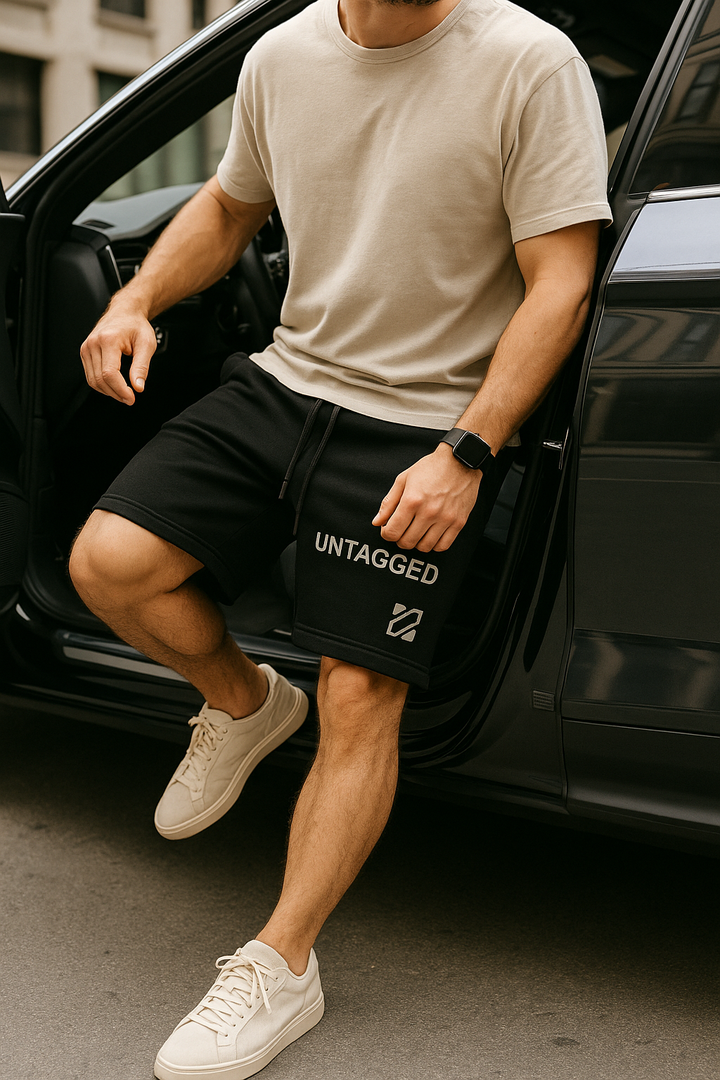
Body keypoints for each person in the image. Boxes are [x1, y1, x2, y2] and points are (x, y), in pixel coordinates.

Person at [69, 0, 611, 1074]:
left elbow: (563, 279)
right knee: (108, 564)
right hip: (288, 381)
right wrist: (136, 300)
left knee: (362, 691)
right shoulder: (283, 52)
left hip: (425, 419)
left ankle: (281, 966)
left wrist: (469, 452)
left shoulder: (527, 60)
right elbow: (229, 208)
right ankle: (244, 704)